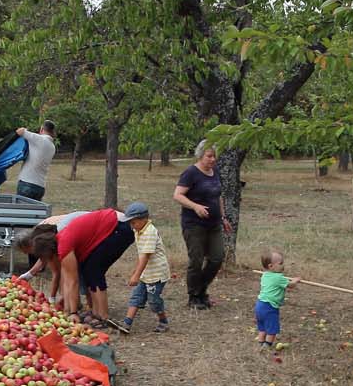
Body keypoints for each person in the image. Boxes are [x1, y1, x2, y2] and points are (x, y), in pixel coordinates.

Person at [26, 207, 133, 323]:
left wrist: (73, 312)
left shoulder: (64, 244)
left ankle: (103, 316)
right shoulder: (61, 241)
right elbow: (66, 280)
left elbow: (73, 281)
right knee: (87, 269)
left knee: (94, 270)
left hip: (119, 226)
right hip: (112, 227)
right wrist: (67, 310)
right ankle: (95, 313)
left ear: (49, 251)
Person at [174, 138, 232, 310]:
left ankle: (201, 289)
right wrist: (195, 206)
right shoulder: (190, 173)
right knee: (196, 260)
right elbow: (177, 195)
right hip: (194, 225)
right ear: (200, 156)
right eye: (209, 156)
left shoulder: (215, 172)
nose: (213, 160)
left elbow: (218, 196)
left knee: (217, 258)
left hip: (213, 224)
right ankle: (194, 296)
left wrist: (223, 218)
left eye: (214, 156)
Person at [118, 202, 170, 334]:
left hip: (156, 274)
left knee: (154, 301)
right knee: (136, 296)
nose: (131, 226)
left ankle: (163, 321)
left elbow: (145, 256)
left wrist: (136, 275)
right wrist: (137, 272)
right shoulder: (139, 230)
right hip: (146, 273)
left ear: (143, 219)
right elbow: (141, 255)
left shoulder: (149, 232)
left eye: (133, 222)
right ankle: (127, 323)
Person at [254, 249, 290, 351]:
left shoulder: (265, 275)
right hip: (270, 307)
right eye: (281, 263)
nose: (283, 265)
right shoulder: (279, 277)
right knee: (272, 329)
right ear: (271, 266)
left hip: (259, 305)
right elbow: (291, 285)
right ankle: (267, 346)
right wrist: (296, 280)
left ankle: (260, 343)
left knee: (262, 328)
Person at [15, 121, 56, 202]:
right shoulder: (52, 146)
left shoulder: (39, 139)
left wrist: (25, 129)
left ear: (42, 129)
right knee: (35, 213)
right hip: (40, 186)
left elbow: (20, 131)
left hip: (27, 183)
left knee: (21, 213)